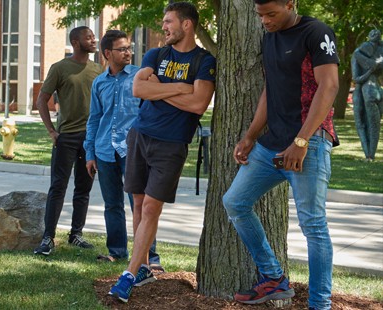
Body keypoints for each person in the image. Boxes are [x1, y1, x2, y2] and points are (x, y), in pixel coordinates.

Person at [223, 1, 339, 309]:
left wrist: (301, 141)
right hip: (270, 144)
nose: (265, 21)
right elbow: (270, 90)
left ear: (291, 4)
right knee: (234, 201)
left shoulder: (316, 32)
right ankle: (274, 278)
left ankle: (320, 304)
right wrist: (250, 135)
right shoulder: (269, 37)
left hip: (309, 144)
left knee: (313, 225)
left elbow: (329, 87)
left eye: (271, 14)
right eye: (260, 15)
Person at [108, 2, 216, 302]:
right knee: (139, 205)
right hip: (140, 136)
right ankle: (142, 266)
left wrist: (162, 88)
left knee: (152, 208)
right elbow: (138, 90)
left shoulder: (204, 60)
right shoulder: (157, 54)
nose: (164, 26)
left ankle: (128, 276)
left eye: (169, 21)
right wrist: (181, 88)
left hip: (171, 144)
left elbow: (198, 104)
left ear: (187, 25)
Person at [84, 30, 161, 267]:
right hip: (105, 150)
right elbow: (94, 119)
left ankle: (151, 257)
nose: (128, 52)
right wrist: (90, 153)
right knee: (112, 204)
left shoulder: (141, 76)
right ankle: (117, 251)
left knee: (142, 205)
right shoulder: (99, 82)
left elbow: (153, 112)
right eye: (122, 49)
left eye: (129, 48)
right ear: (107, 53)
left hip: (135, 150)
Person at [34, 26, 101, 256]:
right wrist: (52, 131)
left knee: (84, 188)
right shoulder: (60, 68)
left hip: (90, 139)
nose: (93, 40)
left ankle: (76, 234)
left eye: (93, 37)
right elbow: (42, 100)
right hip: (66, 137)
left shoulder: (98, 70)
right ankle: (48, 238)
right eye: (88, 37)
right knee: (58, 187)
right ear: (75, 41)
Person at [351, 29, 382, 161]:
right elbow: (356, 78)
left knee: (373, 124)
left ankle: (370, 154)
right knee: (362, 122)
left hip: (375, 92)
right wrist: (370, 71)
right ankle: (368, 154)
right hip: (364, 90)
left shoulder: (380, 52)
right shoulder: (358, 54)